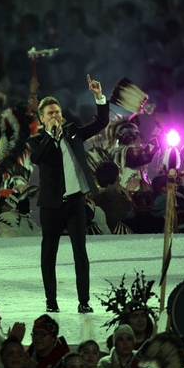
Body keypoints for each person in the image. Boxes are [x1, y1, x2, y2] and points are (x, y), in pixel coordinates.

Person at [28, 75, 108, 313]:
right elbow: (37, 158)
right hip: (51, 206)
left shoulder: (73, 132)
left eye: (57, 112)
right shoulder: (38, 140)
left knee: (80, 253)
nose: (55, 116)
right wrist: (51, 136)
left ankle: (84, 301)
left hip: (75, 203)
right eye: (50, 113)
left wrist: (99, 97)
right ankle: (51, 301)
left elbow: (101, 123)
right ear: (42, 119)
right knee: (48, 255)